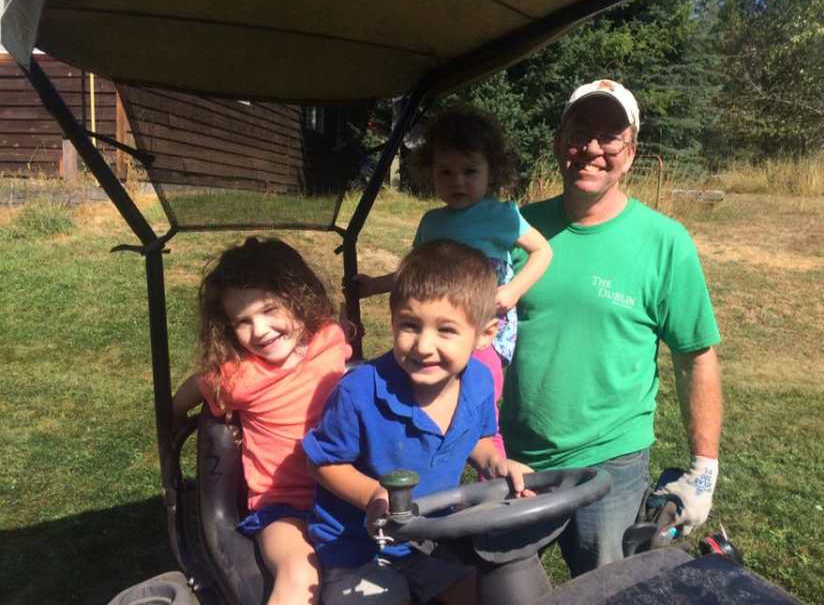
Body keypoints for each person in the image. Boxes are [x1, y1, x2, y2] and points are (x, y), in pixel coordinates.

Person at [500, 79, 723, 575]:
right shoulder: (512, 228)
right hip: (517, 461)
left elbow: (696, 356)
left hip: (613, 466)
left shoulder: (666, 242)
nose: (592, 150)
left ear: (631, 152)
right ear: (560, 141)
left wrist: (704, 467)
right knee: (502, 589)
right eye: (580, 133)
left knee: (607, 590)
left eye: (609, 138)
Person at [305, 240, 533, 605]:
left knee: (485, 594)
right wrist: (371, 496)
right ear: (393, 321)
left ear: (485, 335)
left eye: (446, 330)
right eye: (410, 325)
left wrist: (495, 462)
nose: (423, 346)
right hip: (361, 548)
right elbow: (322, 462)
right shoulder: (358, 393)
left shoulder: (478, 381)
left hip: (433, 539)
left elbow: (475, 438)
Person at [357, 106, 552, 456]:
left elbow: (543, 253)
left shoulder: (502, 215)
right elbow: (413, 274)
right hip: (438, 322)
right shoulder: (432, 222)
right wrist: (375, 285)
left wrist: (512, 291)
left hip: (484, 324)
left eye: (469, 171)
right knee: (435, 387)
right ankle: (428, 449)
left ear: (491, 171)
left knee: (480, 392)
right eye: (445, 172)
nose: (457, 181)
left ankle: (490, 467)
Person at [172, 237, 351, 605]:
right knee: (301, 571)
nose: (261, 330)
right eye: (243, 322)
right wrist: (174, 419)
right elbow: (191, 391)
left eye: (270, 309)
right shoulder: (239, 377)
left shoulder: (329, 339)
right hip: (283, 507)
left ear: (300, 299)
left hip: (346, 491)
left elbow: (349, 349)